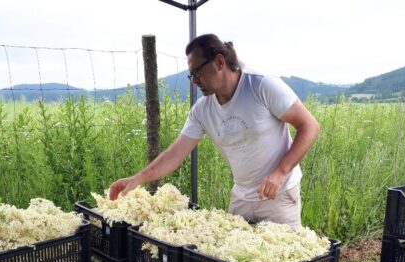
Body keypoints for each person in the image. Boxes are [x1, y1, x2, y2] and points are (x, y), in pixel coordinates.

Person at [109, 34, 319, 230]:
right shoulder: (202, 110)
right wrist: (137, 179)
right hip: (242, 197)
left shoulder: (261, 86)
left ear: (220, 62)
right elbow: (173, 155)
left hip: (278, 196)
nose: (194, 80)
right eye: (191, 75)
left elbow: (309, 126)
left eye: (197, 71)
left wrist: (281, 172)